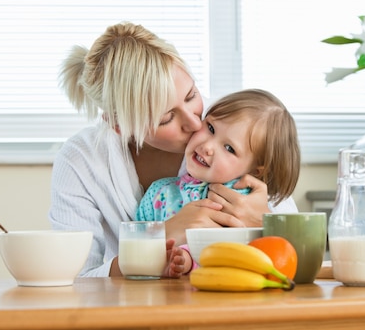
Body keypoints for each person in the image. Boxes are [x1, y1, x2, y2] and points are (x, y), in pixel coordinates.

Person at [49, 22, 298, 278]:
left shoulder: (231, 125)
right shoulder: (80, 160)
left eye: (191, 95)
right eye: (167, 118)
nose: (194, 122)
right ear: (119, 125)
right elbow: (74, 280)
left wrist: (265, 222)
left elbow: (294, 253)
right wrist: (162, 235)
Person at [136, 89, 300, 222]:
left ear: (256, 171)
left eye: (229, 148)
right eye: (211, 128)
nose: (207, 147)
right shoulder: (158, 194)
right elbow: (135, 248)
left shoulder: (249, 205)